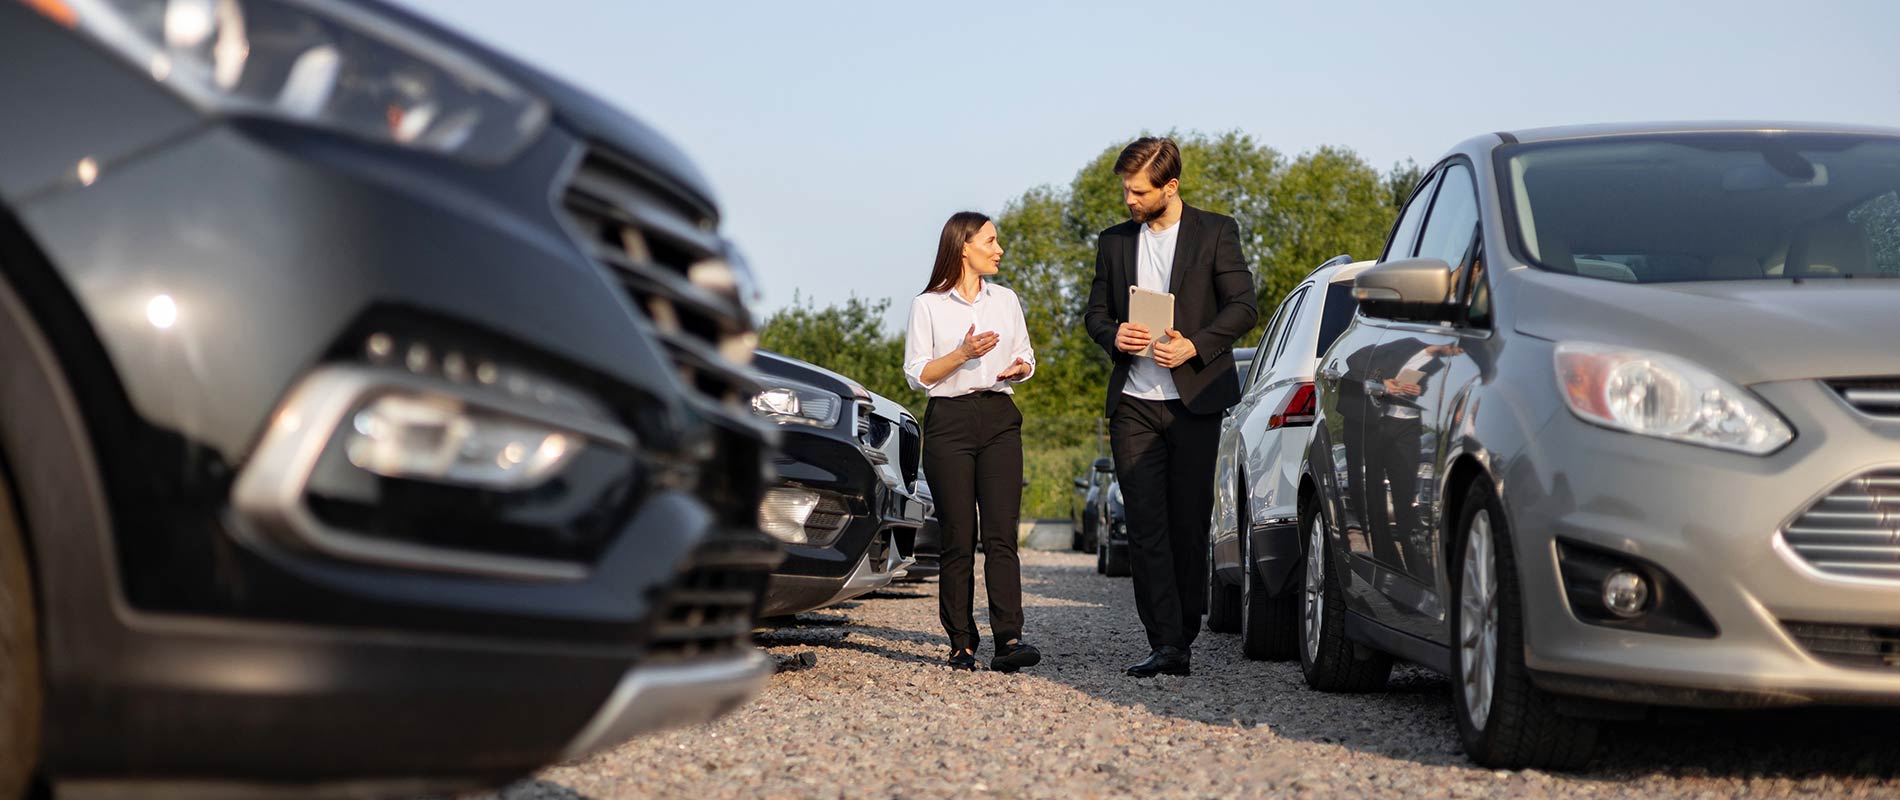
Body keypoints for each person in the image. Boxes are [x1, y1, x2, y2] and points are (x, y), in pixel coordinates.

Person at [1083, 138, 1258, 677]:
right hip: (1133, 402)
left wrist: (1196, 345)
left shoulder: (1215, 231)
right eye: (1126, 190)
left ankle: (1182, 630)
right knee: (1144, 525)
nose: (1129, 200)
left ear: (1170, 187)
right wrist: (1117, 336)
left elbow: (1244, 307)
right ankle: (1166, 642)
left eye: (1138, 192)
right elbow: (1094, 314)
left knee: (1187, 524)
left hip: (1193, 403)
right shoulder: (1113, 243)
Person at [903, 211, 1041, 673]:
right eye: (991, 240)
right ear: (964, 246)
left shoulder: (1006, 299)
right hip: (950, 420)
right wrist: (962, 353)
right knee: (959, 537)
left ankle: (1010, 637)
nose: (999, 249)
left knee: (1002, 535)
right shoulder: (928, 305)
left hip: (1000, 416)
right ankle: (961, 641)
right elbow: (920, 374)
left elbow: (1026, 355)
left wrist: (1020, 367)